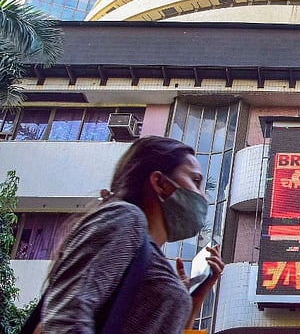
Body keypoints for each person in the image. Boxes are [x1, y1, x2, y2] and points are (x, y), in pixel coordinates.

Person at [38, 136, 224, 333]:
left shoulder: (146, 255)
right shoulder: (126, 217)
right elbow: (67, 316)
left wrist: (191, 299)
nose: (202, 196)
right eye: (195, 181)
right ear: (160, 183)